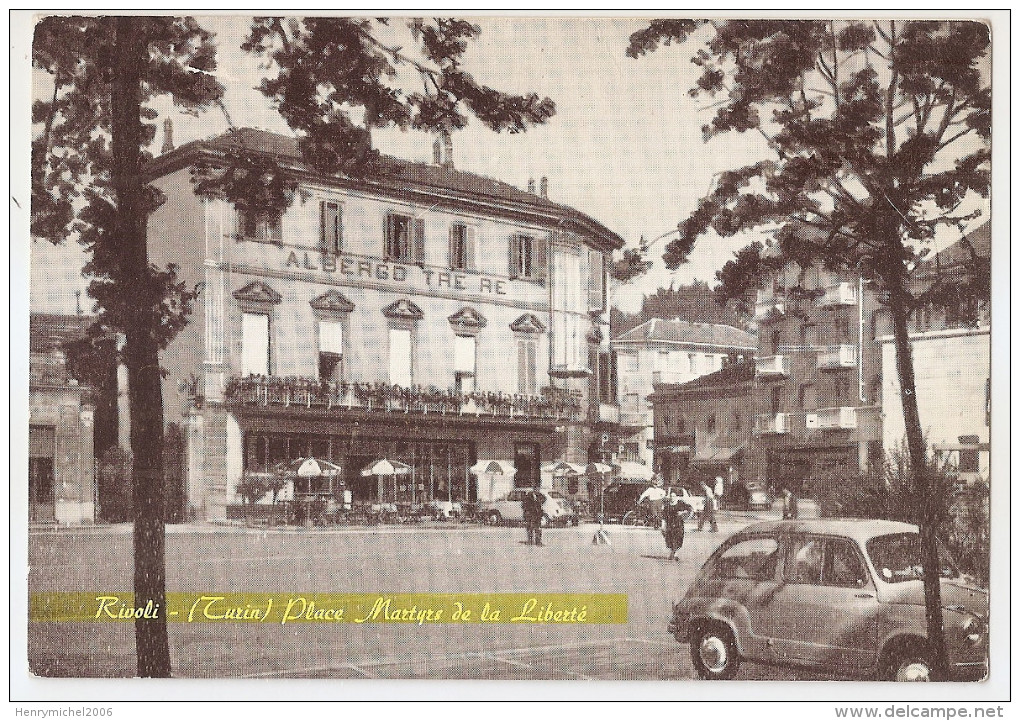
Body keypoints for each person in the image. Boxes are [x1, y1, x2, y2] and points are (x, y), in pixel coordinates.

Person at [661, 490, 692, 561]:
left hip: (679, 524)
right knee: (670, 539)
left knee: (678, 538)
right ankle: (674, 553)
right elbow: (664, 517)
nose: (672, 498)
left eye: (674, 496)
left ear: (677, 497)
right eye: (671, 496)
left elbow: (689, 509)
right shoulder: (667, 506)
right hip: (670, 524)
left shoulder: (680, 503)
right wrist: (663, 526)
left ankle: (674, 553)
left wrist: (683, 512)